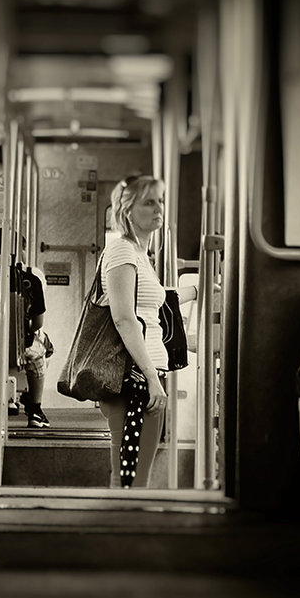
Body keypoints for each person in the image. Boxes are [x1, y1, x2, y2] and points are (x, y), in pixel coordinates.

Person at [99, 175, 197, 488]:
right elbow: (124, 318)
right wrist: (152, 378)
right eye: (149, 202)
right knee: (129, 477)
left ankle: (126, 516)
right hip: (134, 378)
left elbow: (155, 301)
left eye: (161, 201)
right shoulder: (122, 252)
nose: (159, 208)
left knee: (135, 475)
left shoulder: (139, 254)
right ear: (128, 210)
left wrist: (198, 290)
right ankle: (123, 518)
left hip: (144, 375)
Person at [0, 228, 53, 428]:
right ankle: (35, 410)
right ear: (19, 250)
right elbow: (38, 323)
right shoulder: (30, 279)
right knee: (39, 352)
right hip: (14, 347)